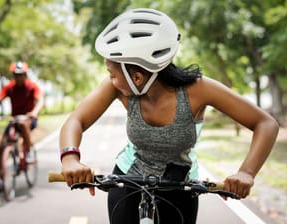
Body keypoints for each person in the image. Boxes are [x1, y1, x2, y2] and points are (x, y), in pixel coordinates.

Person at [58, 8, 279, 224]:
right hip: (128, 180)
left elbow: (265, 124)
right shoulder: (118, 87)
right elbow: (76, 120)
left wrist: (246, 173)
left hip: (180, 186)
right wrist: (70, 159)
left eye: (112, 74)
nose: (110, 80)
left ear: (136, 77)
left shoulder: (198, 90)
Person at [0, 61, 44, 193]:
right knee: (1, 146)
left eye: (21, 74)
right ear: (13, 75)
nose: (19, 77)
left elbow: (41, 100)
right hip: (14, 119)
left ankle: (28, 152)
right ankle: (1, 181)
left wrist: (34, 113)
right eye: (16, 75)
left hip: (29, 119)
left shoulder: (32, 86)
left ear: (25, 75)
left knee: (23, 124)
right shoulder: (9, 87)